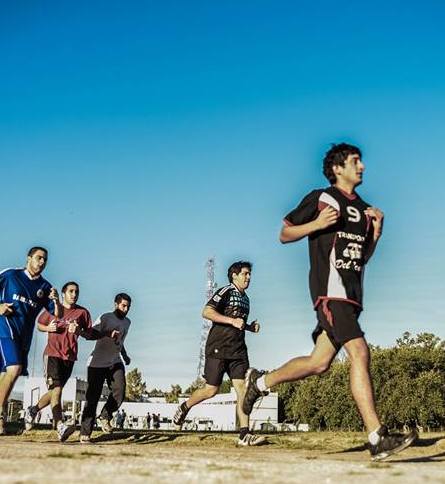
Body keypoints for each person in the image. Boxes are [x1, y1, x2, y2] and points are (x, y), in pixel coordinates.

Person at [241, 143, 417, 461]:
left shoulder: (365, 209)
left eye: (361, 161)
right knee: (360, 351)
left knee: (319, 363)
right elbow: (284, 233)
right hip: (329, 293)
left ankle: (261, 382)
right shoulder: (322, 198)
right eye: (355, 161)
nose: (362, 166)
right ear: (337, 168)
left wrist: (376, 235)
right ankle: (377, 436)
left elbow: (362, 258)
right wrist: (317, 225)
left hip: (350, 297)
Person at [173, 261, 266, 446]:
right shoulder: (225, 292)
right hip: (218, 348)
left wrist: (248, 327)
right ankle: (184, 407)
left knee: (244, 391)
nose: (249, 277)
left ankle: (244, 434)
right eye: (245, 274)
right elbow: (206, 312)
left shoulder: (246, 298)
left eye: (249, 274)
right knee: (211, 390)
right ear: (234, 275)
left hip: (238, 351)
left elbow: (238, 323)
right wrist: (232, 321)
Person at [0, 246, 61, 440]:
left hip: (24, 336)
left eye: (45, 260)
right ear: (29, 258)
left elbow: (58, 315)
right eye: (38, 258)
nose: (41, 262)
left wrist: (56, 301)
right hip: (5, 330)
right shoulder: (10, 275)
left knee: (7, 375)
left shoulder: (46, 287)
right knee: (13, 369)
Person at [24, 281, 99, 442]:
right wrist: (48, 328)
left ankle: (33, 409)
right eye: (71, 291)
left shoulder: (82, 313)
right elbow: (39, 325)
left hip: (69, 357)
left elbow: (90, 334)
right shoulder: (54, 308)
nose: (74, 294)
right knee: (57, 389)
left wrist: (79, 331)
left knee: (54, 392)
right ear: (64, 293)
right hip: (52, 354)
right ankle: (60, 426)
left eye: (76, 292)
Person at [78, 293, 132, 444]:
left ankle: (105, 416)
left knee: (120, 391)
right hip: (97, 362)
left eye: (128, 307)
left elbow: (120, 341)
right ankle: (85, 433)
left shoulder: (127, 322)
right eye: (123, 306)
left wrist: (125, 355)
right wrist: (108, 333)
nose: (126, 309)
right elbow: (90, 334)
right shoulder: (105, 317)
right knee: (92, 398)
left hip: (114, 360)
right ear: (116, 304)